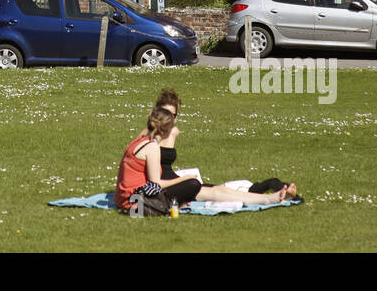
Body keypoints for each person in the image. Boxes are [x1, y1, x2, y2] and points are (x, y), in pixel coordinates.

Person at [116, 107, 292, 215]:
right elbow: (155, 185)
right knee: (193, 184)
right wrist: (185, 179)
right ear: (165, 129)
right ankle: (270, 199)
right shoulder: (152, 148)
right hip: (136, 203)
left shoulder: (139, 141)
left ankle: (270, 198)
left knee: (214, 190)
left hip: (128, 198)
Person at [152, 88, 299, 203]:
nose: (170, 119)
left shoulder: (173, 132)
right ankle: (272, 197)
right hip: (166, 187)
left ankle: (273, 187)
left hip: (173, 181)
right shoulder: (150, 135)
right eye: (166, 113)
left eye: (173, 115)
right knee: (216, 193)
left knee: (220, 189)